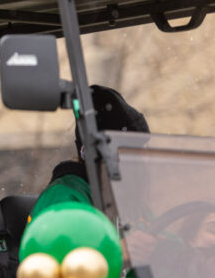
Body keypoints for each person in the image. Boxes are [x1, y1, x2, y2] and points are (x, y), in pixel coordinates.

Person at [30, 84, 150, 219]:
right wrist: (120, 241)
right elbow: (67, 238)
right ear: (102, 153)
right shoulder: (64, 198)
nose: (145, 159)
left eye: (143, 149)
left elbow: (157, 231)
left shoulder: (124, 199)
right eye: (135, 150)